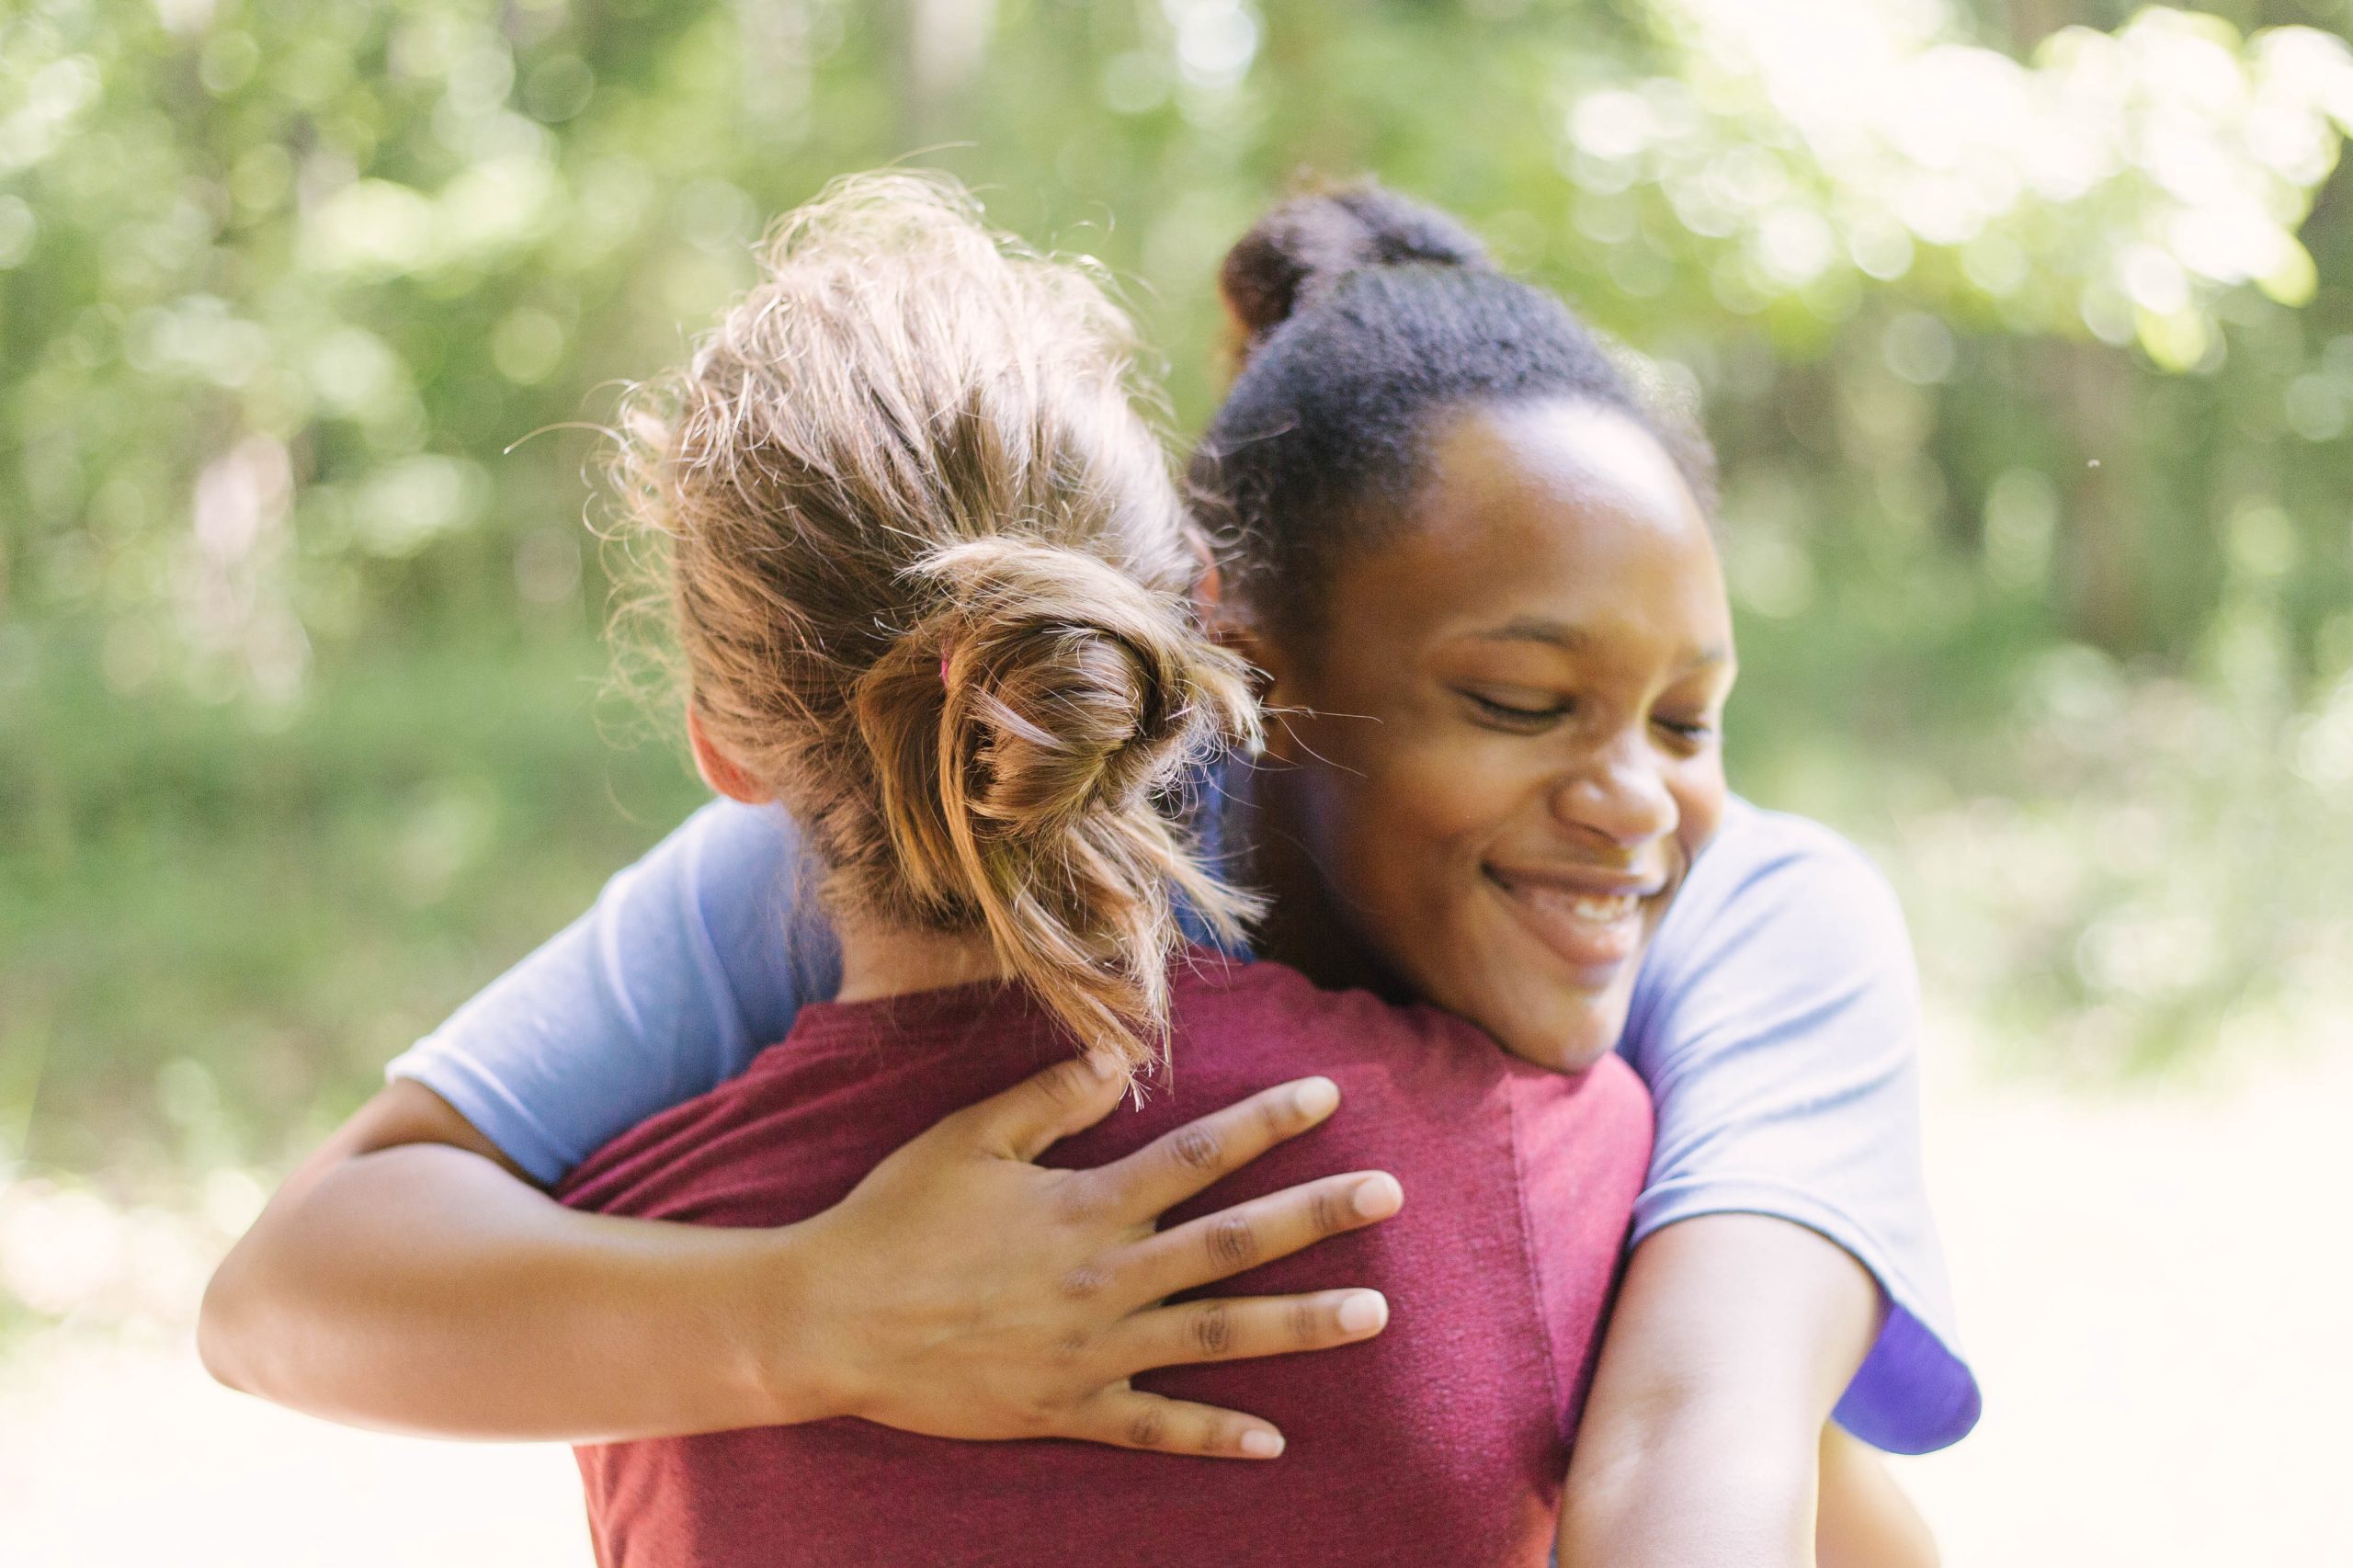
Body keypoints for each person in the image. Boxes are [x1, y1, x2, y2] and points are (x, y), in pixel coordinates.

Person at [202, 180, 1977, 1564]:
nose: (1635, 803)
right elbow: (292, 1287)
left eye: (1693, 717)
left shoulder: (1757, 918)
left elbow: (1701, 1450)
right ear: (1239, 669)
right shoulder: (967, 796)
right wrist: (812, 1311)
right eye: (1519, 702)